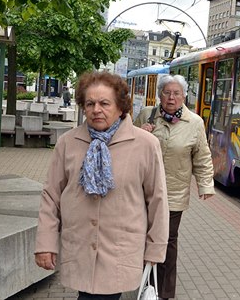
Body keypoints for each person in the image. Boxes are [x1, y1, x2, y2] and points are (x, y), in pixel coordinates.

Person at [34, 71, 169, 299]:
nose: (96, 109)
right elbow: (51, 196)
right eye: (90, 103)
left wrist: (156, 248)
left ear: (120, 106)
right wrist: (45, 243)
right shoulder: (68, 143)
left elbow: (157, 199)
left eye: (104, 103)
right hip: (80, 246)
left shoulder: (145, 144)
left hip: (119, 249)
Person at [134, 74, 215, 300]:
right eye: (167, 92)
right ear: (159, 94)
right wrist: (141, 135)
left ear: (184, 96)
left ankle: (164, 292)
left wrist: (205, 185)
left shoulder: (195, 123)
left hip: (174, 192)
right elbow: (126, 144)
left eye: (176, 93)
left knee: (167, 241)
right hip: (143, 190)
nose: (171, 98)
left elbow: (202, 156)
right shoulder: (146, 115)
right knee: (142, 237)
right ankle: (145, 285)